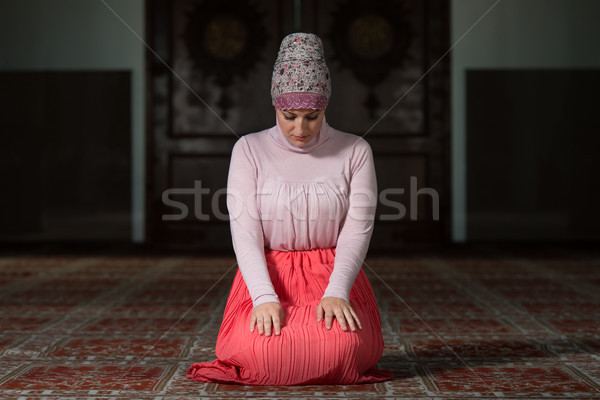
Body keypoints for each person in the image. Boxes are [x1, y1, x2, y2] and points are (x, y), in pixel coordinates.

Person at [187, 32, 393, 385]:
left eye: (312, 116)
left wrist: (337, 290)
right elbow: (245, 230)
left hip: (332, 273)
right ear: (275, 106)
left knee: (340, 350)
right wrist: (264, 297)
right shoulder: (249, 149)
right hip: (269, 273)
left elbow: (358, 228)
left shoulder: (355, 150)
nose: (300, 129)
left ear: (325, 106)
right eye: (290, 115)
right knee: (261, 352)